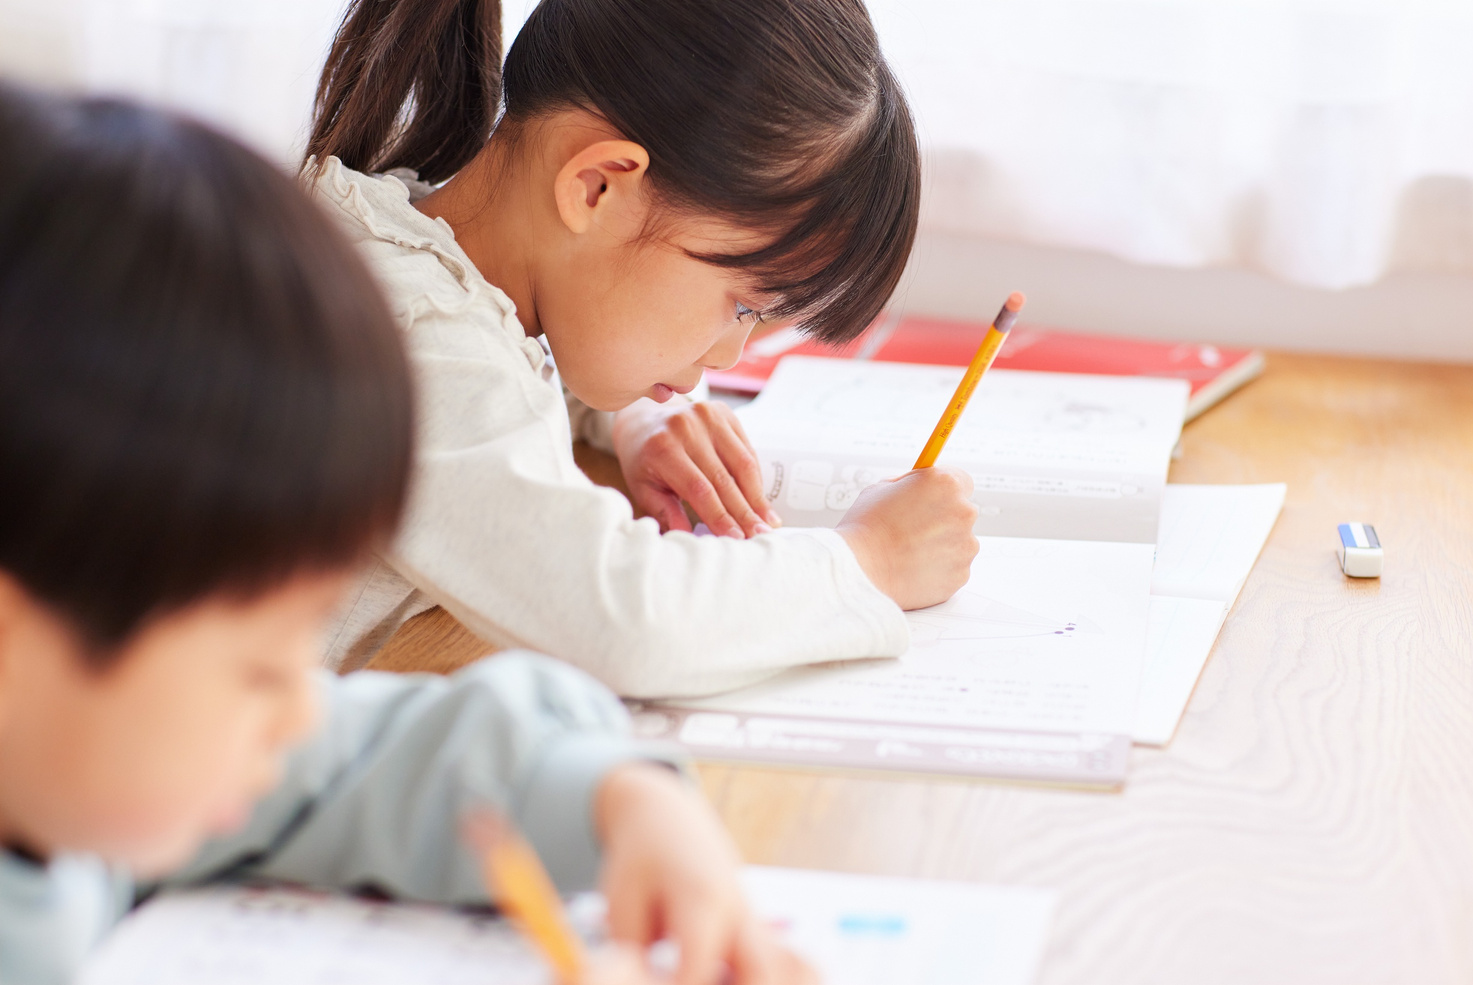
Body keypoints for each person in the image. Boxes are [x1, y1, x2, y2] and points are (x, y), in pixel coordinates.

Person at [0, 85, 810, 985]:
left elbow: (340, 763)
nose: (303, 702)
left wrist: (614, 795)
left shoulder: (74, 752)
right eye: (261, 668)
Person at [306, 0, 982, 695]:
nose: (728, 357)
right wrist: (871, 559)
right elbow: (628, 621)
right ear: (596, 187)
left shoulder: (410, 252)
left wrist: (635, 415)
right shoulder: (397, 340)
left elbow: (494, 361)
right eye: (743, 304)